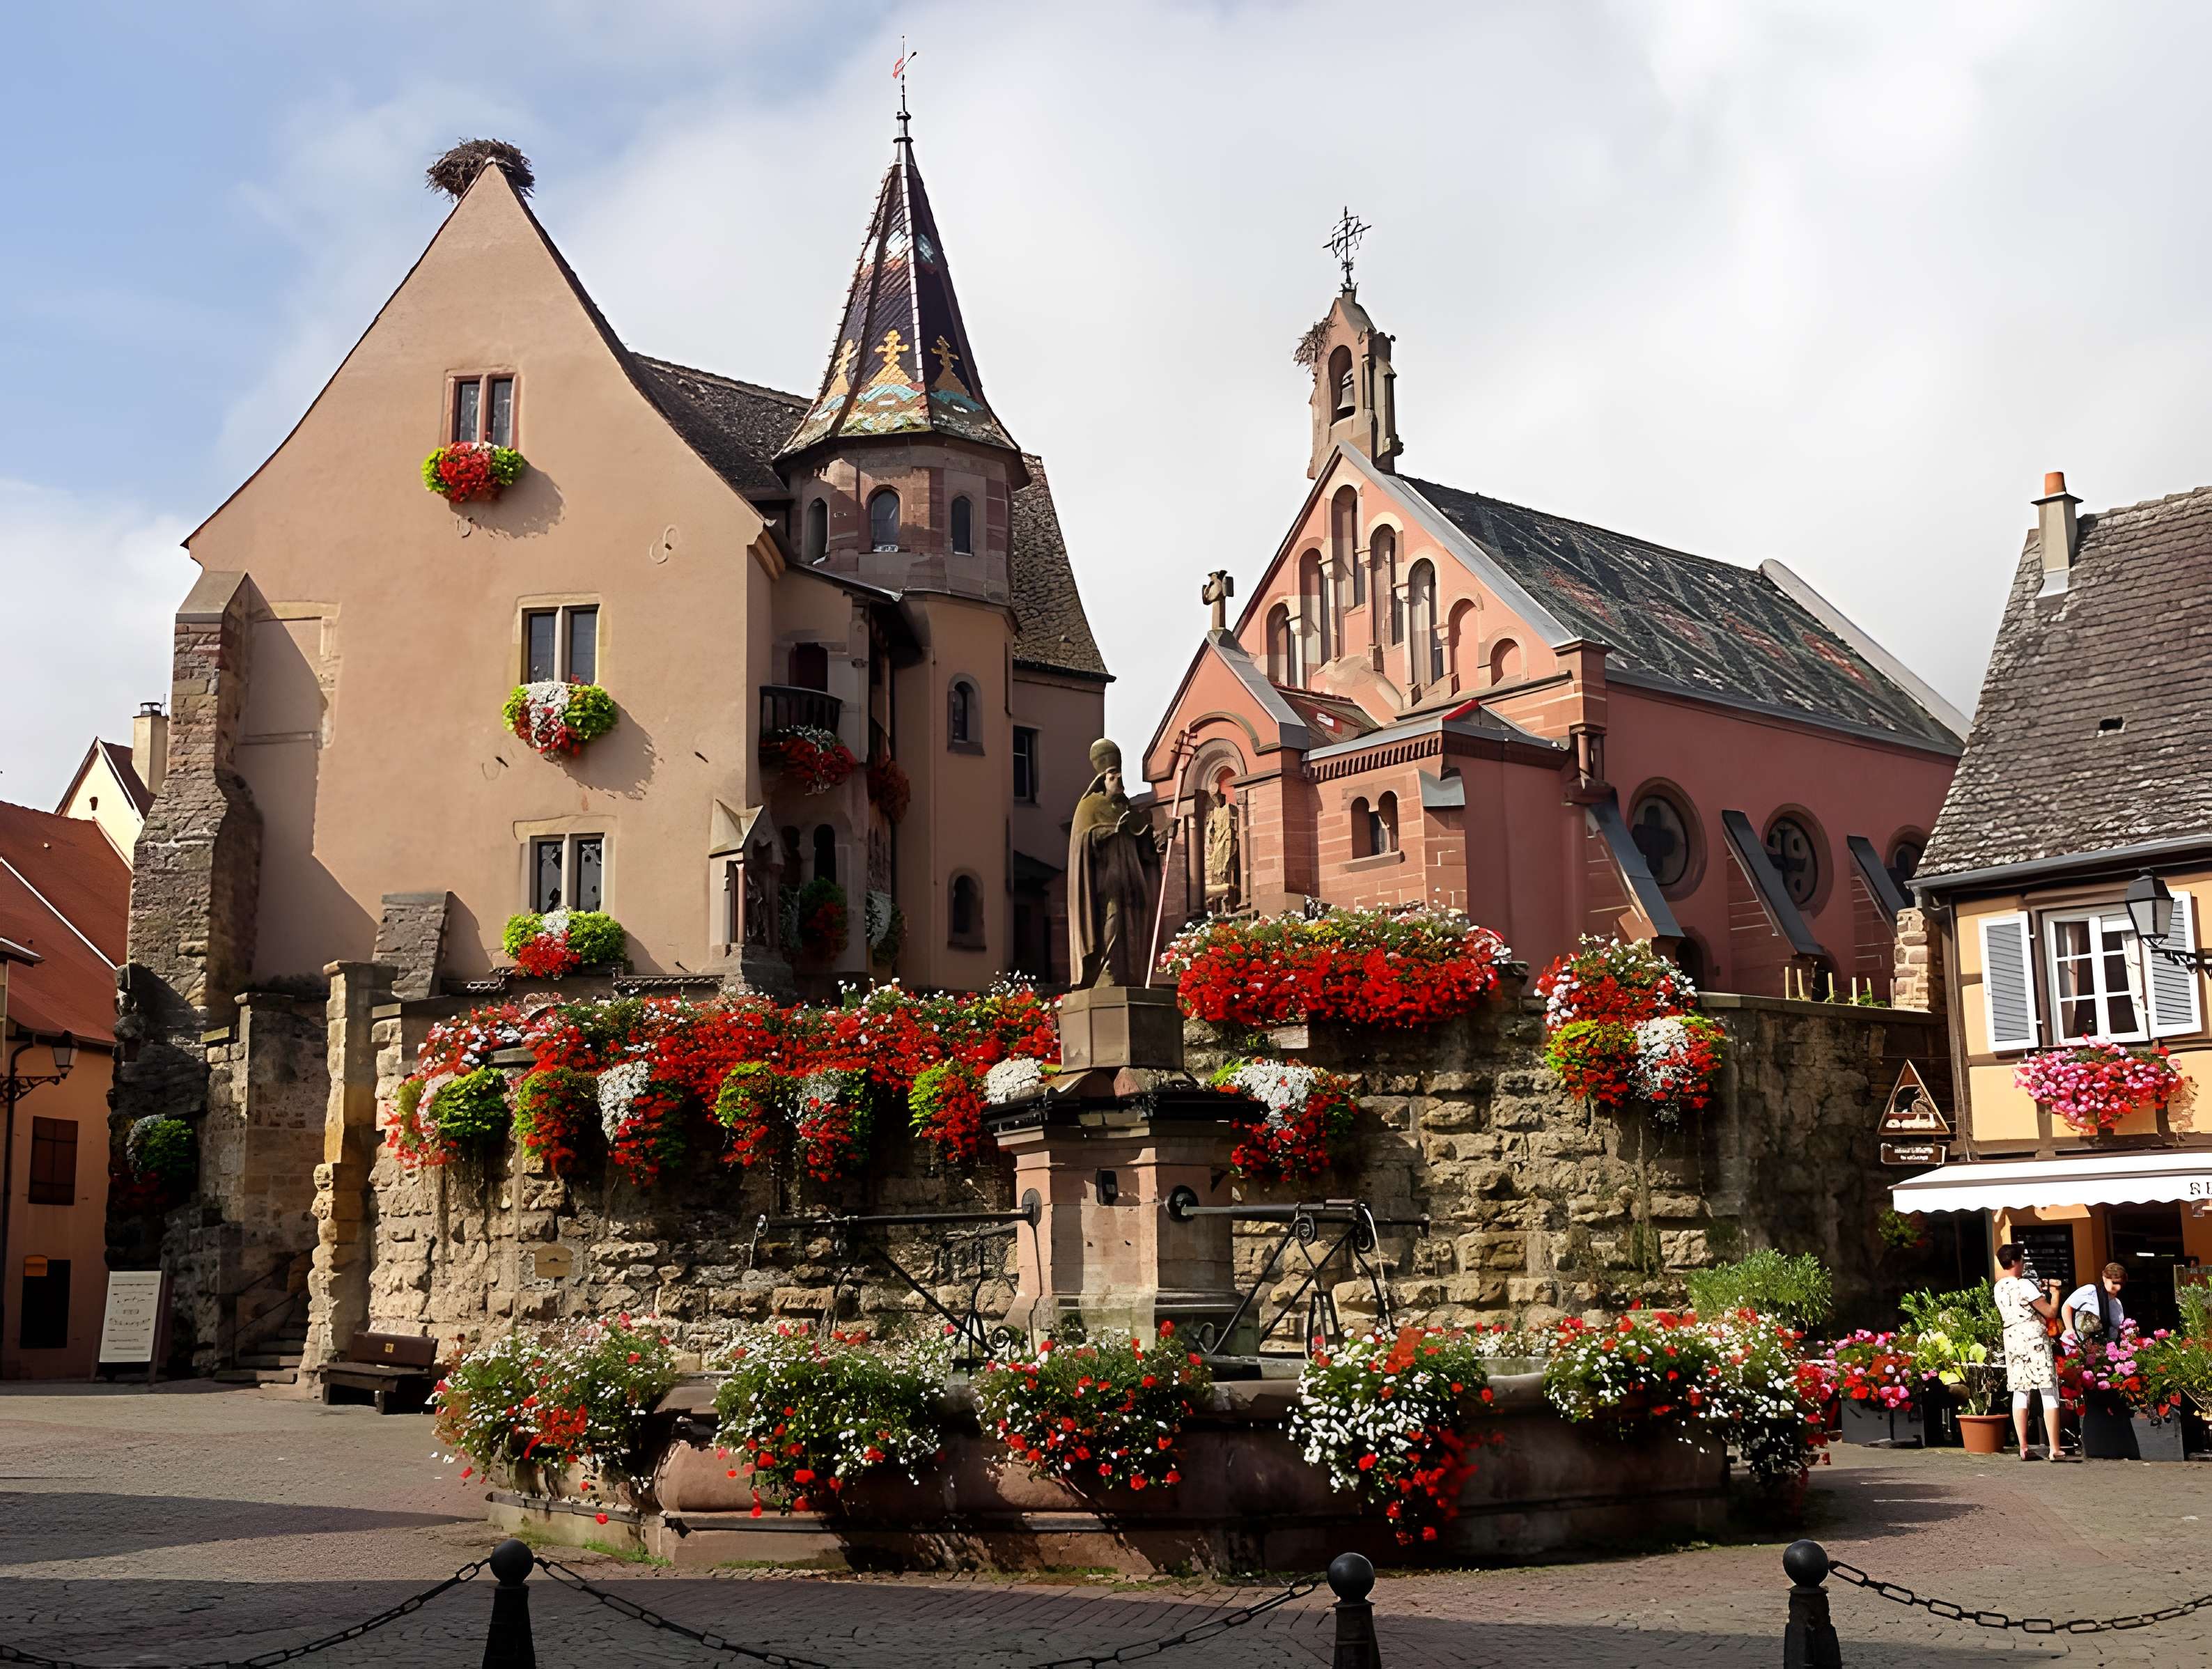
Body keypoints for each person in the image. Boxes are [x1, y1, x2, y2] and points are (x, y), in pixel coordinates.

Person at [1994, 1243, 2067, 1461]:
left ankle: (2023, 1447)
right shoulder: (2024, 1285)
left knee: (2020, 1390)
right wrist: (2055, 1293)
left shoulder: (1999, 1287)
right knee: (2047, 1389)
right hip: (2033, 1338)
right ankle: (2055, 1448)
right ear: (2017, 1261)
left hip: (2012, 1339)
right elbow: (2051, 1312)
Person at [2062, 1262, 2127, 1349]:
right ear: (2104, 1278)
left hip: (2106, 1350)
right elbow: (2067, 1306)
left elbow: (2116, 1329)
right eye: (2114, 1282)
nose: (2118, 1287)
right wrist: (2069, 1330)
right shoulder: (2090, 1291)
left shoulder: (2117, 1304)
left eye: (2120, 1284)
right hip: (2081, 1344)